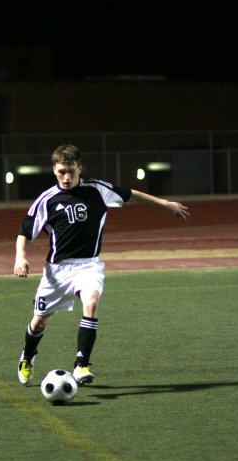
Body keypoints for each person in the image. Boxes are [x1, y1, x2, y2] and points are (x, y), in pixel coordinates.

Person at [14, 144, 189, 386]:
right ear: (54, 170)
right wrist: (20, 257)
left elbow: (129, 194)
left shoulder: (97, 189)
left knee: (92, 302)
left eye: (71, 171)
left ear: (80, 169)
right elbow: (25, 231)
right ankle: (27, 357)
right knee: (39, 320)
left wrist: (164, 204)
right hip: (57, 271)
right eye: (61, 171)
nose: (66, 177)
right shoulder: (47, 200)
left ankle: (81, 365)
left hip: (88, 265)